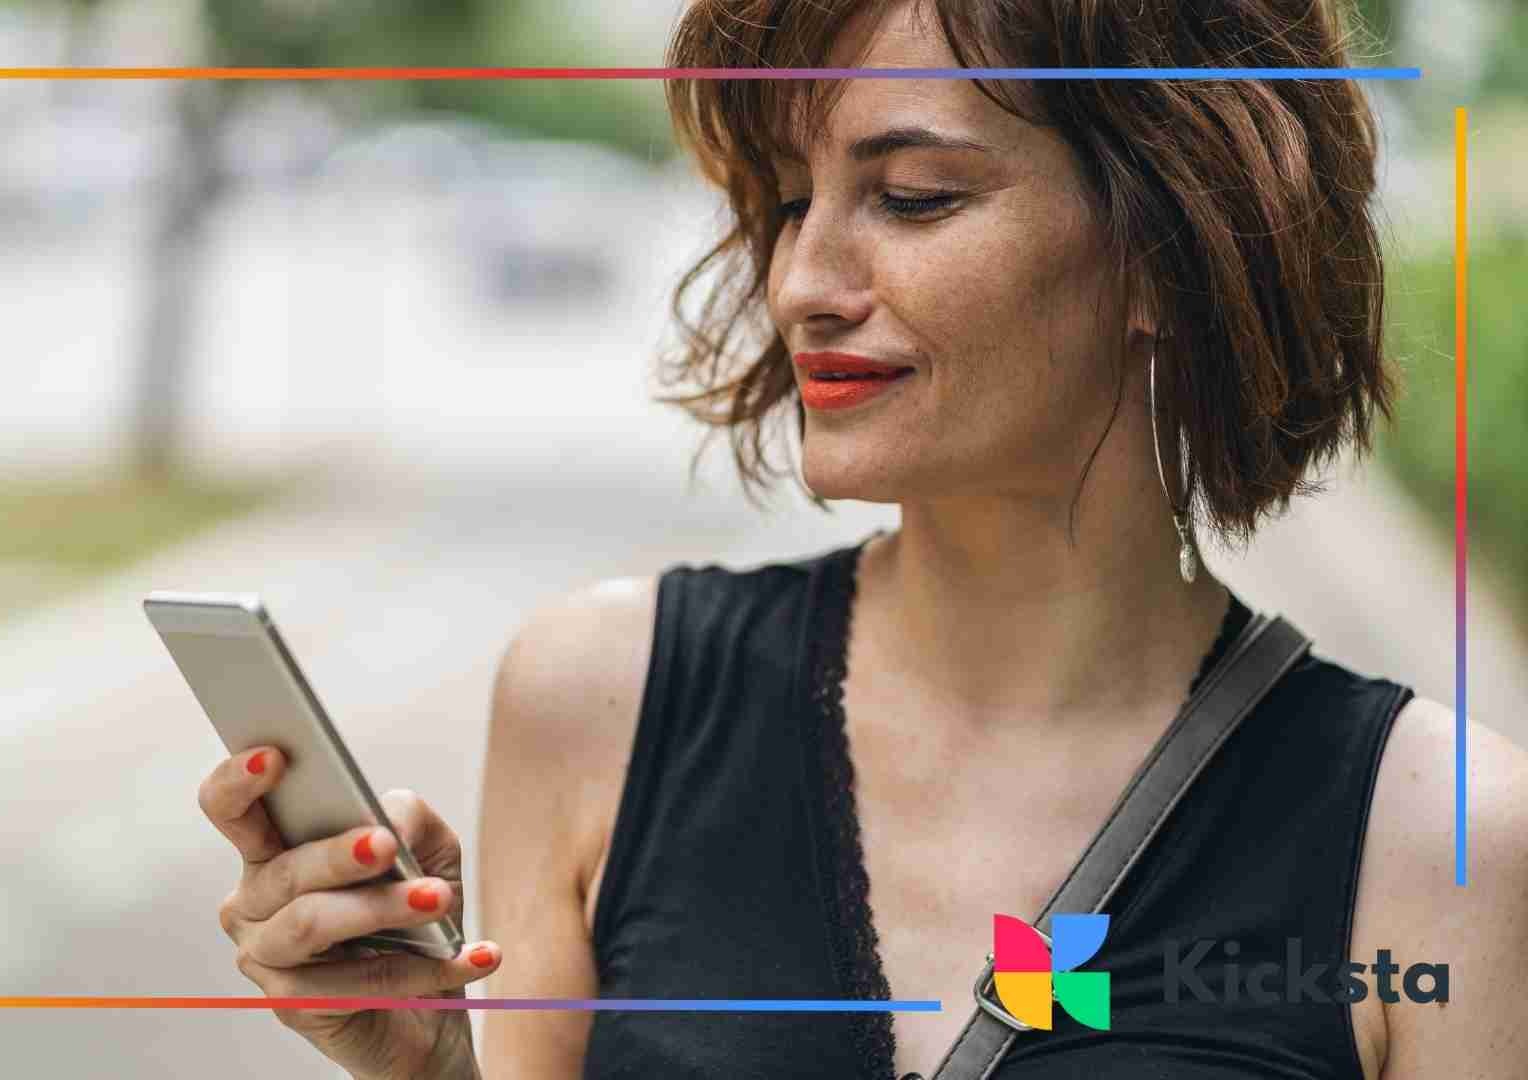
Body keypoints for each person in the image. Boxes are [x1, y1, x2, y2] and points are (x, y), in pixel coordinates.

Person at [194, 1, 1528, 1077]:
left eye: (915, 197)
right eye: (790, 202)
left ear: (1171, 250)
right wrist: (428, 1069)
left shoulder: (1444, 845)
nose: (802, 283)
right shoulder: (599, 702)